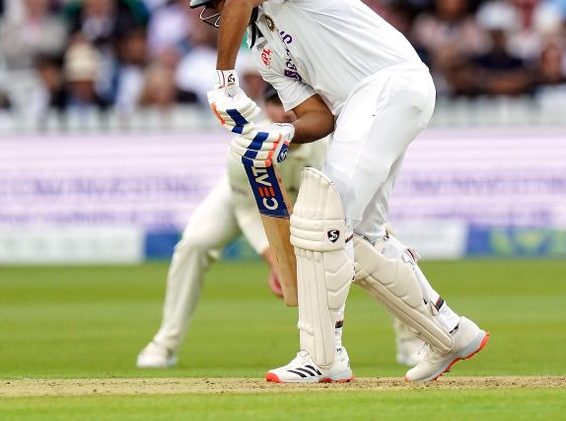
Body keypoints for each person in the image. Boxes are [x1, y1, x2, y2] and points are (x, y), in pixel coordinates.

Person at [187, 0, 488, 383]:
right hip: (358, 110)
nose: (215, 11)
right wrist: (280, 132)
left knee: (321, 217)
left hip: (389, 82)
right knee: (363, 235)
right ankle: (451, 333)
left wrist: (224, 80)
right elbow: (317, 117)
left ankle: (323, 358)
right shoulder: (263, 49)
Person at [136, 88, 424, 369]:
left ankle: (411, 343)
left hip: (313, 201)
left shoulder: (327, 149)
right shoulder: (247, 145)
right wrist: (279, 264)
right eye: (276, 103)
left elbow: (340, 211)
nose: (285, 112)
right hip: (247, 200)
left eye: (292, 103)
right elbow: (249, 212)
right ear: (265, 107)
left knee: (381, 240)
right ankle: (164, 344)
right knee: (195, 244)